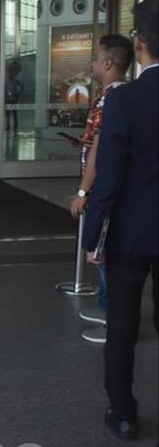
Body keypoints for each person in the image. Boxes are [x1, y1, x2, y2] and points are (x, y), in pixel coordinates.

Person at [83, 0, 159, 441]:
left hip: (131, 232)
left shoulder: (125, 100)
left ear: (140, 44)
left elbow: (109, 177)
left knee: (124, 326)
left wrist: (93, 236)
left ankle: (124, 412)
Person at [69, 33, 133, 344]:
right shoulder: (112, 96)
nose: (92, 63)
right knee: (103, 252)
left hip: (103, 187)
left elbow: (101, 149)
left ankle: (115, 319)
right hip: (102, 184)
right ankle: (108, 307)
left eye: (96, 58)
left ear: (108, 63)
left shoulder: (115, 99)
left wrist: (83, 191)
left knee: (104, 250)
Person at [5, 59, 22, 132]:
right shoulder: (6, 81)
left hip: (13, 99)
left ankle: (15, 125)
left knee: (14, 113)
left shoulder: (15, 81)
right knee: (8, 113)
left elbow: (21, 87)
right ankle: (8, 125)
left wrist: (17, 94)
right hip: (8, 99)